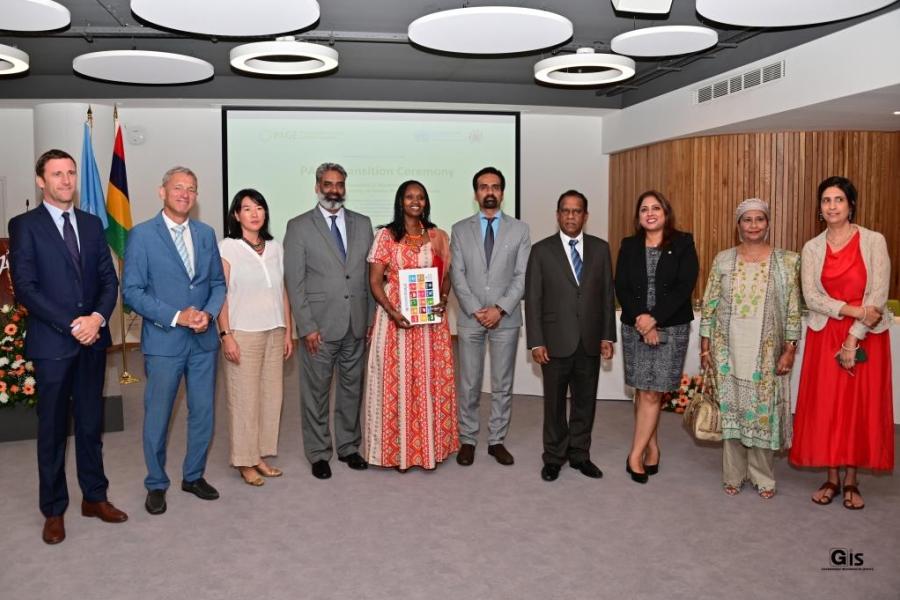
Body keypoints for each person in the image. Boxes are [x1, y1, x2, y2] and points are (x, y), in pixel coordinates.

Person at [9, 149, 127, 544]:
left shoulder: (94, 224)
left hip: (93, 342)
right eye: (56, 174)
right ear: (41, 181)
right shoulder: (25, 225)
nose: (65, 180)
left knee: (91, 426)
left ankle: (94, 497)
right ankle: (54, 509)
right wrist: (72, 324)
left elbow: (109, 282)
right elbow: (26, 287)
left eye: (70, 173)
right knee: (53, 430)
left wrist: (96, 319)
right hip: (53, 343)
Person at [123, 166, 226, 515]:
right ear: (162, 191)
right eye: (178, 187)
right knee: (158, 415)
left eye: (192, 189)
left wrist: (207, 315)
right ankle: (156, 483)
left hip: (203, 342)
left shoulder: (206, 233)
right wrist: (177, 316)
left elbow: (216, 284)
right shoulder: (141, 235)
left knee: (203, 413)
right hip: (164, 341)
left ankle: (193, 475)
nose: (185, 194)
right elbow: (132, 292)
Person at [790, 176, 893, 510]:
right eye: (826, 201)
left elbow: (877, 296)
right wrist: (848, 310)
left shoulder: (874, 241)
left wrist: (853, 337)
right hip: (826, 334)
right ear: (820, 209)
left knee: (858, 407)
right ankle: (832, 478)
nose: (831, 206)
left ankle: (852, 479)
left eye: (838, 200)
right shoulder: (812, 247)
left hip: (866, 336)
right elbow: (812, 296)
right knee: (828, 406)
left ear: (850, 205)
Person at [699, 199, 801, 499]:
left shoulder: (786, 261)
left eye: (759, 219)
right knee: (732, 412)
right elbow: (710, 302)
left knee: (761, 414)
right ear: (738, 224)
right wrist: (705, 346)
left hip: (767, 352)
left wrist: (790, 348)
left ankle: (763, 477)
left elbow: (794, 309)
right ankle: (733, 474)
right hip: (727, 349)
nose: (753, 225)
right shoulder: (723, 260)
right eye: (747, 220)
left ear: (767, 224)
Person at [283, 162, 374, 480]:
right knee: (316, 392)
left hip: (356, 324)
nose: (334, 189)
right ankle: (318, 452)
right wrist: (305, 326)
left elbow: (370, 277)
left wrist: (372, 320)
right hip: (318, 328)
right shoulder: (299, 226)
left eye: (339, 184)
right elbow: (294, 282)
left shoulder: (363, 224)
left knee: (352, 389)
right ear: (317, 186)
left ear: (345, 187)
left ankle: (349, 447)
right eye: (327, 183)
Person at [363, 180, 459, 470]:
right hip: (396, 322)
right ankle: (398, 453)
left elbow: (446, 276)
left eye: (420, 197)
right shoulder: (385, 236)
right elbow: (374, 280)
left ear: (426, 202)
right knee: (399, 383)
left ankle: (429, 449)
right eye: (409, 197)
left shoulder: (437, 235)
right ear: (400, 201)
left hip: (430, 325)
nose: (415, 201)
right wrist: (392, 312)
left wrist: (443, 298)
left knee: (428, 381)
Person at [525, 190, 616, 482]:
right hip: (553, 341)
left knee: (585, 401)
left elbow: (606, 297)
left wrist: (607, 336)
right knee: (553, 404)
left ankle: (579, 454)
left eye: (577, 211)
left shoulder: (601, 249)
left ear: (585, 216)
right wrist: (536, 341)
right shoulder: (541, 251)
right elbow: (534, 299)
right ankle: (553, 457)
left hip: (589, 340)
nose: (571, 216)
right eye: (565, 210)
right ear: (557, 215)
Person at [615, 190, 698, 484]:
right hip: (635, 326)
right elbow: (621, 285)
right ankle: (652, 446)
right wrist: (642, 320)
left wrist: (655, 320)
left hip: (671, 327)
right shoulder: (629, 245)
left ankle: (634, 454)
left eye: (655, 208)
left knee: (653, 391)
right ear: (638, 217)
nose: (650, 213)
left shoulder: (683, 242)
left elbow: (684, 285)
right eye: (644, 209)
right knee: (642, 388)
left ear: (666, 213)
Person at [450, 167, 531, 467]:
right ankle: (468, 439)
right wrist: (475, 309)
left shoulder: (520, 230)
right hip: (471, 317)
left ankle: (496, 440)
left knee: (502, 383)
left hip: (505, 318)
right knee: (469, 383)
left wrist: (500, 309)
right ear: (475, 193)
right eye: (484, 187)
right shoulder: (460, 230)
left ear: (502, 192)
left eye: (495, 187)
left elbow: (523, 275)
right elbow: (457, 275)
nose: (489, 192)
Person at [217, 189, 294, 486]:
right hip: (242, 333)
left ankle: (259, 455)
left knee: (270, 397)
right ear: (237, 215)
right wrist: (226, 335)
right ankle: (243, 460)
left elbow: (282, 291)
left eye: (259, 207)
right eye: (246, 208)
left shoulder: (275, 247)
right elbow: (220, 294)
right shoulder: (227, 247)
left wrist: (288, 330)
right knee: (244, 398)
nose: (254, 213)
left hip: (274, 330)